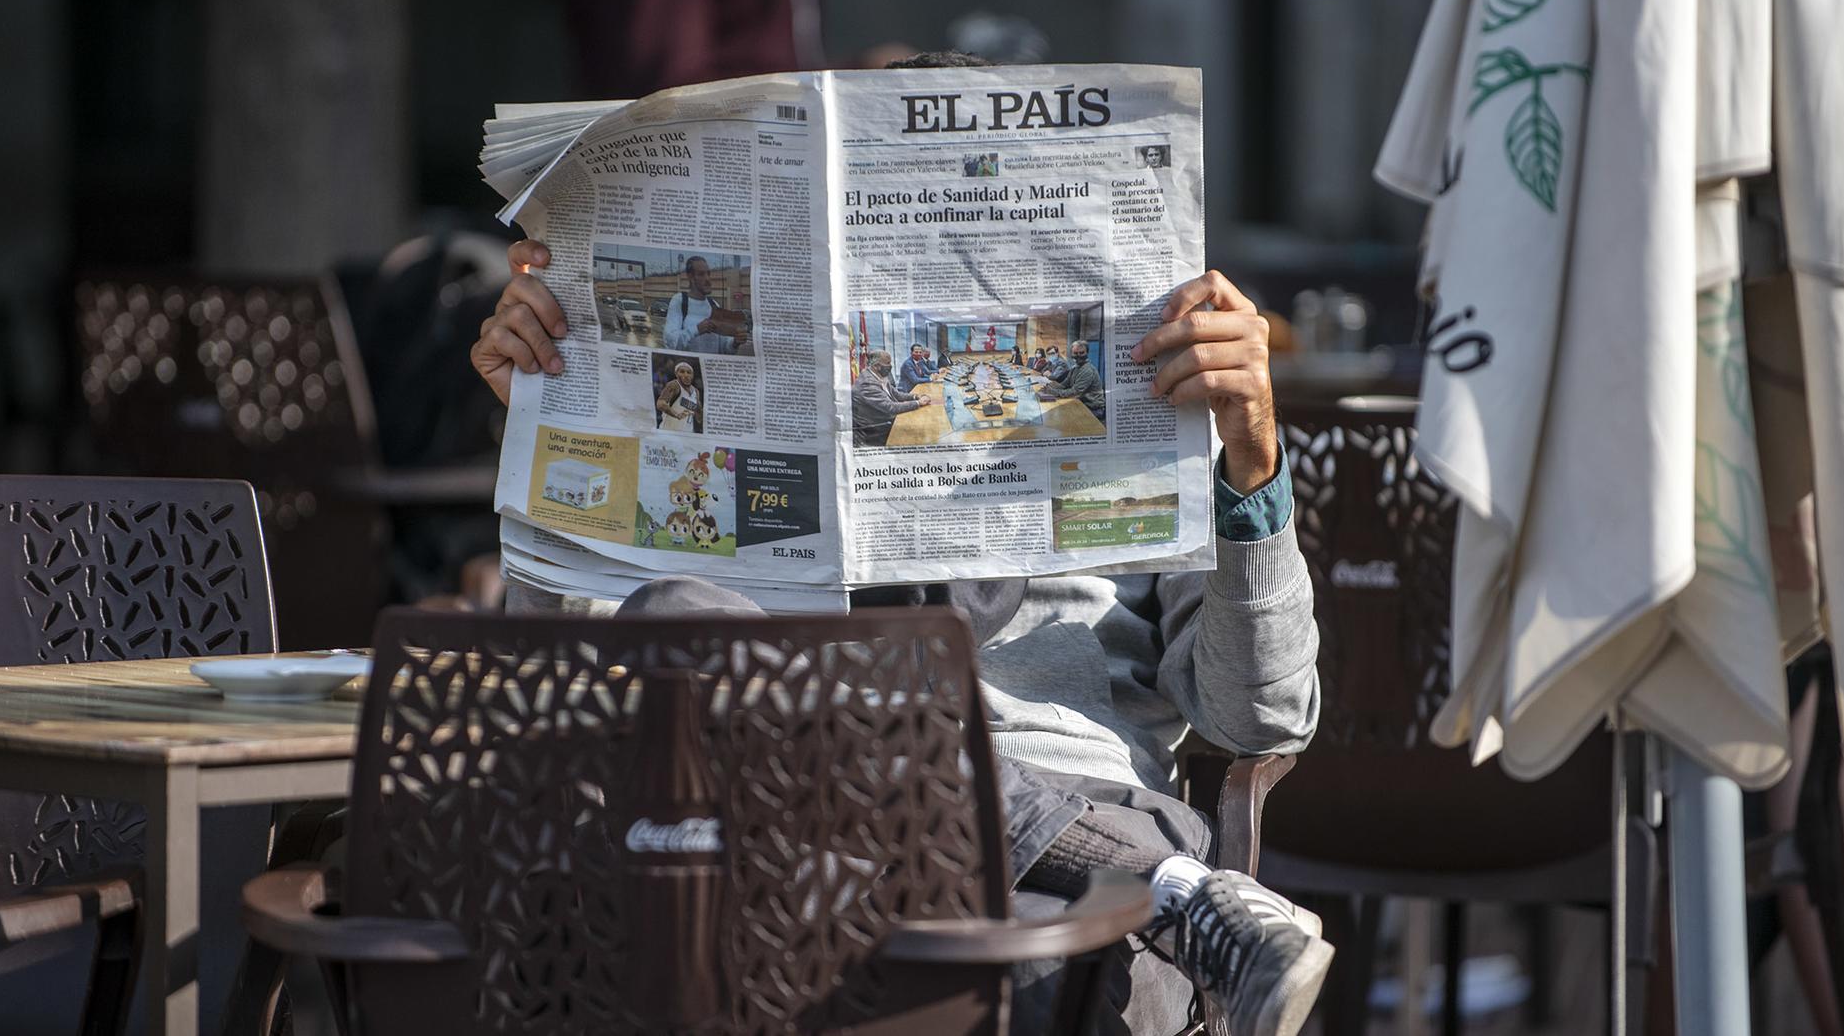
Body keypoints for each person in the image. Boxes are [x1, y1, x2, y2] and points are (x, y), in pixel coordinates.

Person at [470, 53, 1326, 1036]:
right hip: (775, 822)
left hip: (1047, 852)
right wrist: (549, 429)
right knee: (673, 627)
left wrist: (1251, 463)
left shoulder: (1154, 401)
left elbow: (1258, 720)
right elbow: (551, 687)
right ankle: (1176, 894)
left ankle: (1132, 878)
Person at [662, 256, 748, 354]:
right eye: (701, 274)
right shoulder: (680, 301)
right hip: (689, 367)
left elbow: (724, 348)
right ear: (690, 277)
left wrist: (735, 342)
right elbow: (670, 342)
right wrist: (697, 330)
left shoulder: (714, 305)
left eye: (708, 273)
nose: (707, 279)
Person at [849, 350, 933, 447]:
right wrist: (918, 403)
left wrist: (915, 396)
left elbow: (896, 395)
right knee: (920, 434)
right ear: (876, 366)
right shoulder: (867, 383)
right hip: (875, 429)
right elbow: (890, 407)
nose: (890, 366)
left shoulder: (878, 375)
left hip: (885, 420)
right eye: (888, 363)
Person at [1040, 340, 1104, 419]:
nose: (1078, 356)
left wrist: (1053, 392)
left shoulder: (1088, 370)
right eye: (1075, 353)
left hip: (1092, 408)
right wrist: (1048, 387)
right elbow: (1064, 384)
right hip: (1080, 402)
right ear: (1071, 354)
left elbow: (1074, 392)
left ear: (1087, 353)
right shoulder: (1075, 367)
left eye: (1081, 353)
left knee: (1061, 417)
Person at [655, 360, 702, 432]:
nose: (686, 375)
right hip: (669, 432)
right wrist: (676, 414)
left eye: (688, 372)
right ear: (676, 374)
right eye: (682, 372)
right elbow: (660, 404)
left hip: (687, 434)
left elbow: (699, 417)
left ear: (692, 376)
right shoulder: (674, 385)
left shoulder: (696, 391)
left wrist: (700, 413)